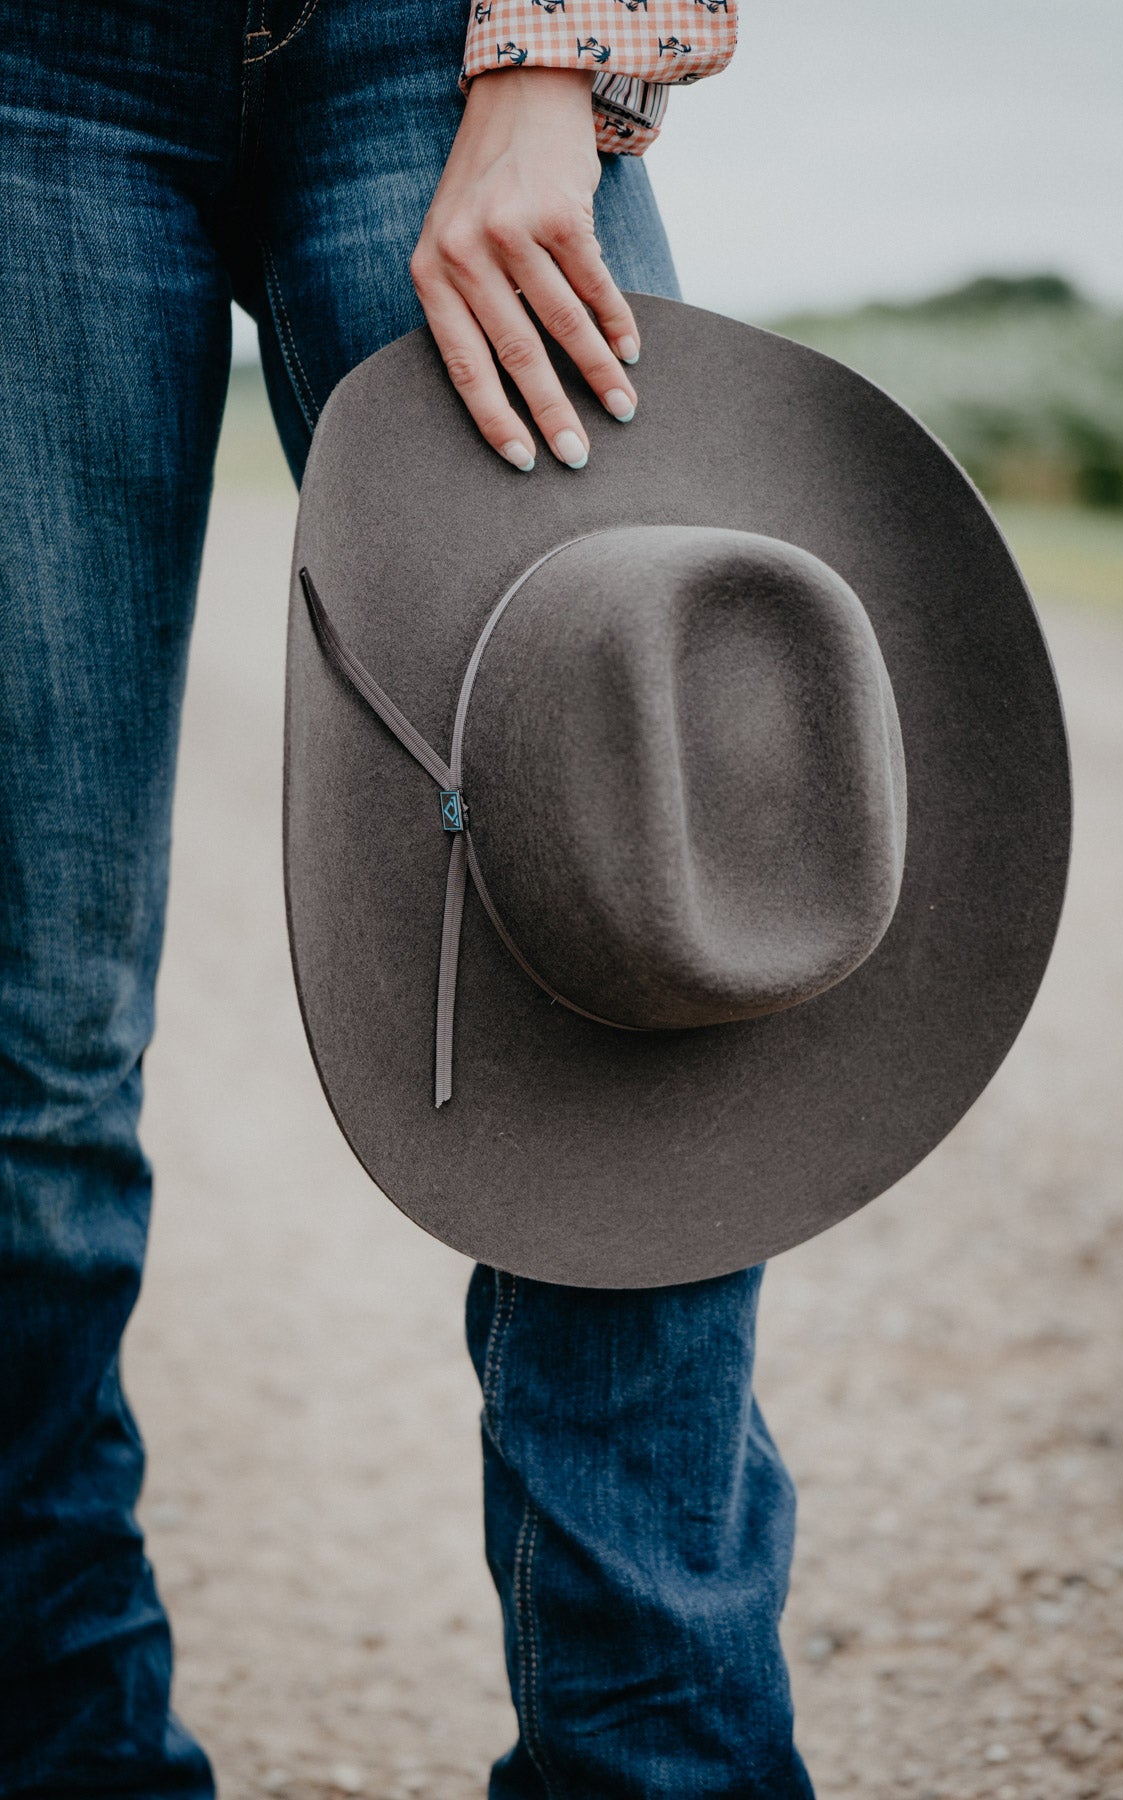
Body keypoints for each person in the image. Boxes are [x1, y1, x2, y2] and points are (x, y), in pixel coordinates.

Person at [0, 4, 816, 1795]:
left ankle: (659, 1770)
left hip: (439, 42)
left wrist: (555, 66)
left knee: (629, 939)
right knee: (17, 1072)